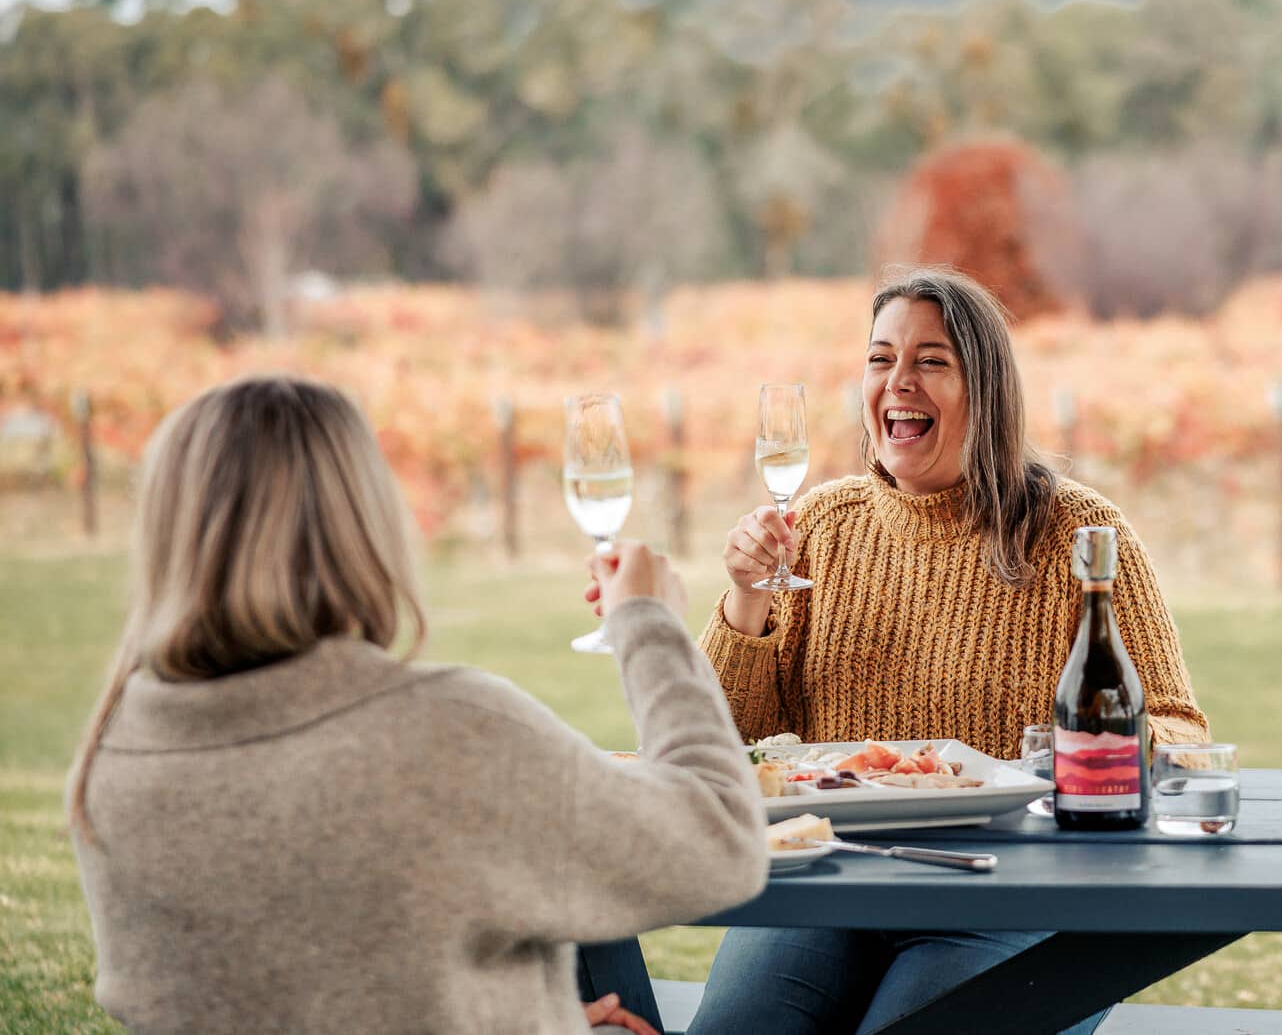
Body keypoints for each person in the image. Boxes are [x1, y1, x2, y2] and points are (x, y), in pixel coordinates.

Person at [68, 376, 767, 1035]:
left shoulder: (110, 757)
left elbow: (298, 983)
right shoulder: (449, 731)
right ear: (360, 524)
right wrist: (649, 626)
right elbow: (721, 842)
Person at [687, 266, 1209, 1034]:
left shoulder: (1078, 533)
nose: (899, 381)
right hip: (832, 886)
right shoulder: (819, 527)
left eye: (932, 360)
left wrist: (1070, 756)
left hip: (1014, 896)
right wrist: (748, 597)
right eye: (880, 358)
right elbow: (716, 745)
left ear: (985, 388)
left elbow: (1182, 739)